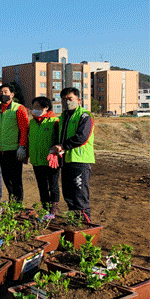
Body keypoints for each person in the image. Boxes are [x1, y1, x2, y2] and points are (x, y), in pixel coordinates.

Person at [51, 87, 95, 221]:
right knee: (68, 195)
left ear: (78, 100)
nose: (66, 102)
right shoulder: (63, 117)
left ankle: (85, 224)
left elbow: (82, 137)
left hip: (79, 161)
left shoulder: (85, 116)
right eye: (63, 99)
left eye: (70, 99)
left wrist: (63, 146)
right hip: (66, 161)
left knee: (79, 195)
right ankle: (74, 222)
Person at [0, 84, 29, 202]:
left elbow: (24, 129)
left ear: (12, 94)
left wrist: (22, 146)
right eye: (1, 92)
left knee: (15, 179)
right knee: (6, 178)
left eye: (6, 92)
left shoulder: (18, 108)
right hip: (1, 150)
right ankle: (12, 200)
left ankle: (17, 203)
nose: (3, 94)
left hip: (14, 150)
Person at [28, 96, 60, 214]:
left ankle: (54, 208)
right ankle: (45, 208)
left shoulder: (54, 121)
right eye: (34, 107)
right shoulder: (32, 122)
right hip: (37, 160)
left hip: (51, 161)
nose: (35, 109)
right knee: (42, 186)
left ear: (46, 108)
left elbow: (59, 139)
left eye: (38, 107)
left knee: (53, 185)